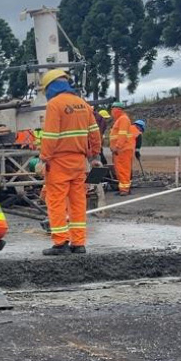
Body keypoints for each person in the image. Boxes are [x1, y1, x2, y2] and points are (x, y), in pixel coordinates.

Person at [38, 69, 101, 256]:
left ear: (50, 87)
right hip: (79, 162)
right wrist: (95, 156)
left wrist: (43, 159)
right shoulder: (83, 104)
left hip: (59, 162)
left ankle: (60, 243)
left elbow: (50, 136)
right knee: (78, 202)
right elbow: (95, 132)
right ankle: (79, 243)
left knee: (56, 202)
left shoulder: (54, 105)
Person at [109, 102, 134, 196]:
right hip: (120, 150)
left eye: (113, 109)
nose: (112, 111)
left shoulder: (123, 119)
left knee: (123, 170)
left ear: (118, 109)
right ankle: (124, 188)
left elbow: (122, 135)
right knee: (121, 170)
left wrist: (117, 147)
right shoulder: (120, 119)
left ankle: (124, 189)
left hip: (122, 150)